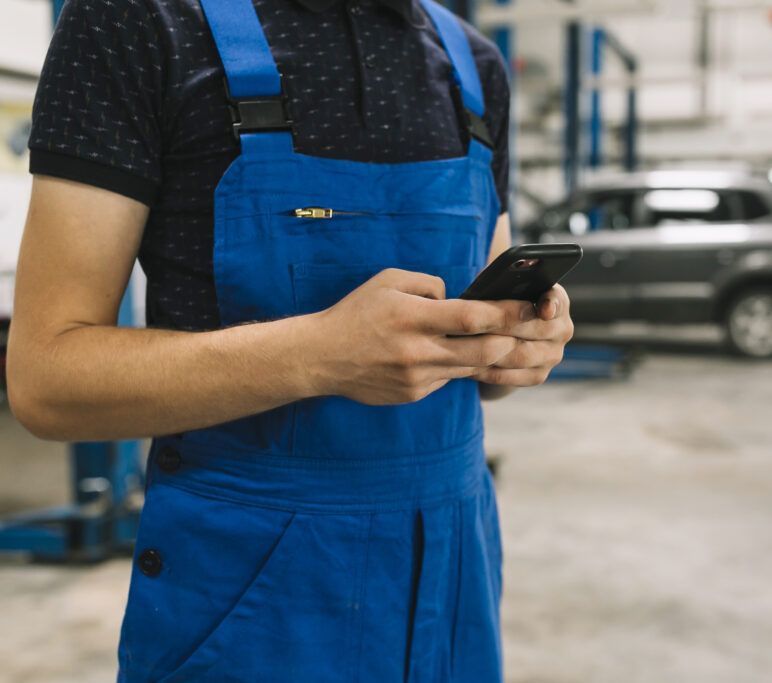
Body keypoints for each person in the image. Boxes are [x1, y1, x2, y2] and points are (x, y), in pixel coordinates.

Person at [6, 0, 573, 679]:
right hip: (253, 602)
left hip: (452, 584)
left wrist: (514, 344)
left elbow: (478, 367)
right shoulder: (139, 22)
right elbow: (47, 380)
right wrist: (317, 354)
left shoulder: (476, 69)